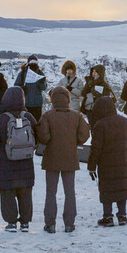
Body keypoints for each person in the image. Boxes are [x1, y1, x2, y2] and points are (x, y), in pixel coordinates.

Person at [36, 86, 91, 233]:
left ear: (53, 99)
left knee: (51, 192)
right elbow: (83, 136)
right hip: (70, 157)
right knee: (70, 192)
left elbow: (44, 137)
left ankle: (50, 223)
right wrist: (74, 142)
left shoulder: (47, 115)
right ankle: (69, 223)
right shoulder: (77, 116)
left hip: (51, 158)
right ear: (67, 99)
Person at [0, 87, 37, 232]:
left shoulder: (2, 118)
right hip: (26, 163)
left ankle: (11, 223)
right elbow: (37, 135)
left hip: (6, 162)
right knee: (25, 192)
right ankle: (25, 222)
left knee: (7, 191)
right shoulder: (28, 117)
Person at [87, 96, 127, 227]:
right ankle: (122, 215)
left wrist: (91, 166)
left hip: (105, 163)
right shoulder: (125, 122)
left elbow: (95, 149)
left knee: (107, 188)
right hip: (121, 160)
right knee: (121, 185)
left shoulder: (100, 125)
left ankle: (108, 216)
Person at [14, 55, 47, 122]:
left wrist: (42, 82)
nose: (33, 64)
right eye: (32, 62)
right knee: (26, 122)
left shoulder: (40, 73)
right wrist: (22, 88)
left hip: (37, 104)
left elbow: (44, 88)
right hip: (25, 103)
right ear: (28, 62)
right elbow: (16, 86)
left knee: (36, 123)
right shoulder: (22, 73)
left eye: (35, 62)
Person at [80, 64, 114, 129]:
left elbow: (106, 97)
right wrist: (88, 85)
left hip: (99, 109)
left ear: (100, 73)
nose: (93, 73)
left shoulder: (104, 85)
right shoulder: (89, 82)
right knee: (92, 127)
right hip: (89, 109)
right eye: (93, 72)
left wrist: (94, 91)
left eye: (96, 72)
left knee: (98, 128)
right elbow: (83, 93)